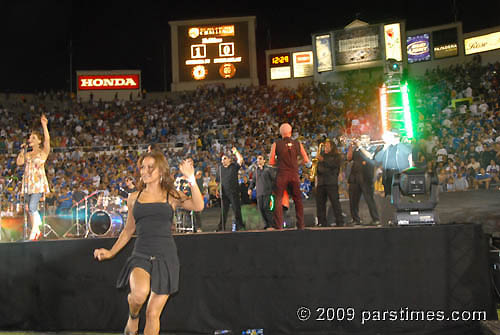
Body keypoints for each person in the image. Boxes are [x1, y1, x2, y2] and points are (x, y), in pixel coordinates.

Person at [93, 151, 203, 335]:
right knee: (138, 294)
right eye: (142, 167)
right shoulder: (134, 198)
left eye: (150, 167)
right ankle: (133, 316)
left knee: (153, 314)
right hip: (141, 253)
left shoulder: (171, 195)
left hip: (166, 256)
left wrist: (191, 178)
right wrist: (111, 252)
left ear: (161, 171)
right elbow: (128, 230)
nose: (145, 171)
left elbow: (198, 206)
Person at [269, 123, 311, 230]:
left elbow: (271, 161)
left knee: (278, 199)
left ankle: (279, 226)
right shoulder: (297, 143)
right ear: (291, 132)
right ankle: (301, 225)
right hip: (294, 174)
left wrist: (280, 162)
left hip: (282, 174)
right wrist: (296, 163)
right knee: (298, 199)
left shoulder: (276, 144)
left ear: (280, 133)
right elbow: (306, 160)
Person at [16, 114, 51, 240]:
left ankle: (35, 231)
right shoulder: (28, 154)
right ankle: (37, 229)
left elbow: (47, 141)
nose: (30, 140)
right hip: (27, 183)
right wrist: (22, 151)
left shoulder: (42, 152)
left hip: (37, 183)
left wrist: (44, 126)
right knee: (29, 208)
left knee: (32, 207)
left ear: (38, 141)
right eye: (30, 138)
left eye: (33, 138)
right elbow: (19, 162)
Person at [347, 137, 380, 225]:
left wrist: (360, 147)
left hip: (366, 177)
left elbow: (370, 156)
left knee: (369, 199)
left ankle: (375, 219)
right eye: (361, 138)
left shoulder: (373, 147)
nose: (362, 139)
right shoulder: (357, 150)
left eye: (365, 138)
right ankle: (355, 219)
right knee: (353, 200)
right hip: (355, 177)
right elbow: (349, 158)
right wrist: (350, 146)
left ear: (369, 140)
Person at [315, 139, 344, 227]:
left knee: (335, 202)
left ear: (332, 147)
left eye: (327, 146)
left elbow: (334, 165)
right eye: (325, 146)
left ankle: (339, 221)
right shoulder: (322, 155)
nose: (325, 148)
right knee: (320, 204)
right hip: (321, 182)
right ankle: (321, 222)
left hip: (331, 182)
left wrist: (323, 160)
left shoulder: (336, 156)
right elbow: (319, 168)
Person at [215, 147, 245, 231]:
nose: (223, 161)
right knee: (223, 211)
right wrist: (217, 190)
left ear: (229, 160)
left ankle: (240, 225)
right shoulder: (220, 169)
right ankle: (221, 227)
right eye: (222, 159)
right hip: (224, 193)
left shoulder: (234, 166)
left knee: (236, 209)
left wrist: (235, 151)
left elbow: (240, 159)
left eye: (224, 159)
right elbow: (217, 181)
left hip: (233, 192)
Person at [248, 155, 275, 229]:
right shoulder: (256, 171)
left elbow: (274, 180)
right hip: (259, 193)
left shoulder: (268, 169)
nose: (258, 161)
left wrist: (273, 190)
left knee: (266, 208)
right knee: (260, 209)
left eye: (260, 159)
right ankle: (266, 224)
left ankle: (271, 224)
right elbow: (253, 181)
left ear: (264, 161)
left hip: (267, 192)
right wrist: (250, 188)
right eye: (257, 159)